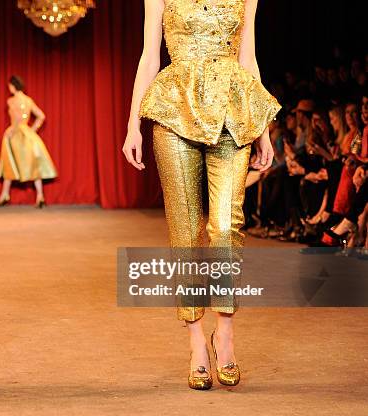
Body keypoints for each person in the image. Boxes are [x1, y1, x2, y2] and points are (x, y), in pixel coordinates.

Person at [124, 0, 280, 390]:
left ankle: (224, 334)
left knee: (226, 226)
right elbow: (148, 57)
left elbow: (249, 58)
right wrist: (132, 126)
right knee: (186, 232)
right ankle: (196, 343)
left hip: (233, 112)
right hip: (174, 111)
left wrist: (262, 129)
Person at [0, 75, 57, 208]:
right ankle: (40, 196)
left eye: (10, 86)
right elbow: (41, 116)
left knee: (10, 163)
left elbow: (18, 116)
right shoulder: (28, 100)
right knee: (33, 165)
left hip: (16, 134)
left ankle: (5, 195)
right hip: (27, 134)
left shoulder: (11, 100)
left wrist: (13, 129)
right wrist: (32, 129)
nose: (9, 88)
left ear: (13, 85)